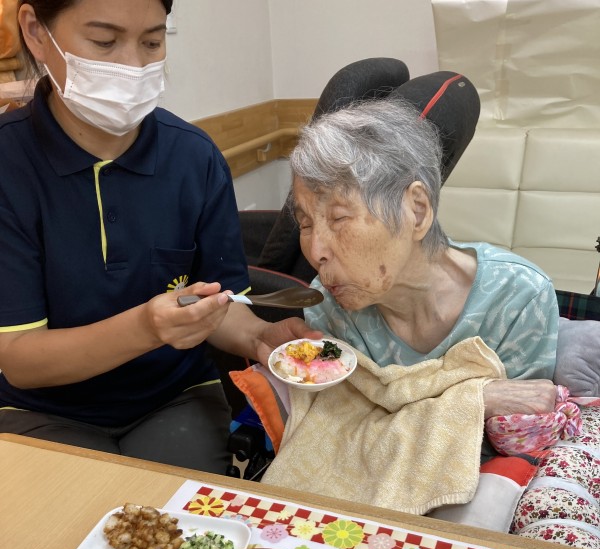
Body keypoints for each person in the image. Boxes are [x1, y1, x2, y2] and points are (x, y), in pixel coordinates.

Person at [0, 0, 318, 473]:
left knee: (179, 512)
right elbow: (20, 359)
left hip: (174, 397)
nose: (133, 65)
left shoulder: (194, 158)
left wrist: (259, 337)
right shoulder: (9, 164)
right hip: (42, 409)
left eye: (152, 42)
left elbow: (220, 303)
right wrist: (147, 328)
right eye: (104, 41)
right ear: (35, 31)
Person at [292, 97, 559, 423]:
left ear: (416, 211)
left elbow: (519, 437)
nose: (316, 251)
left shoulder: (517, 300)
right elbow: (338, 433)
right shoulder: (329, 310)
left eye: (339, 218)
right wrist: (474, 401)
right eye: (305, 224)